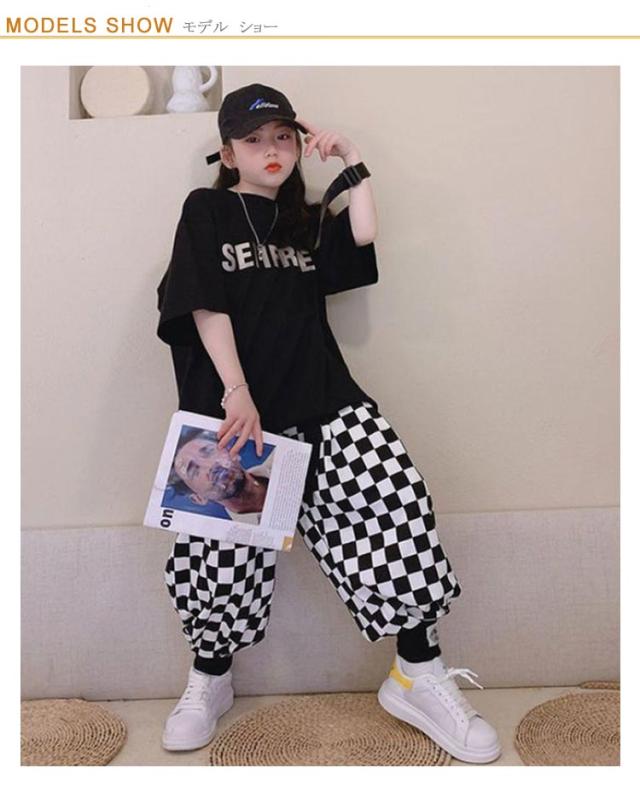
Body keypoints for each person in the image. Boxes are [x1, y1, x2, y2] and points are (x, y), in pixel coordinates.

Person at [155, 83, 501, 763]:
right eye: (254, 139)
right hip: (235, 416)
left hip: (323, 400)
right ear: (228, 152)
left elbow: (363, 232)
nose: (272, 150)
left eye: (284, 137)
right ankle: (210, 678)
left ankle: (417, 672)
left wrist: (350, 155)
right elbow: (203, 304)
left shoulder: (303, 223)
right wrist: (235, 392)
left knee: (395, 510)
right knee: (216, 560)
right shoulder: (207, 209)